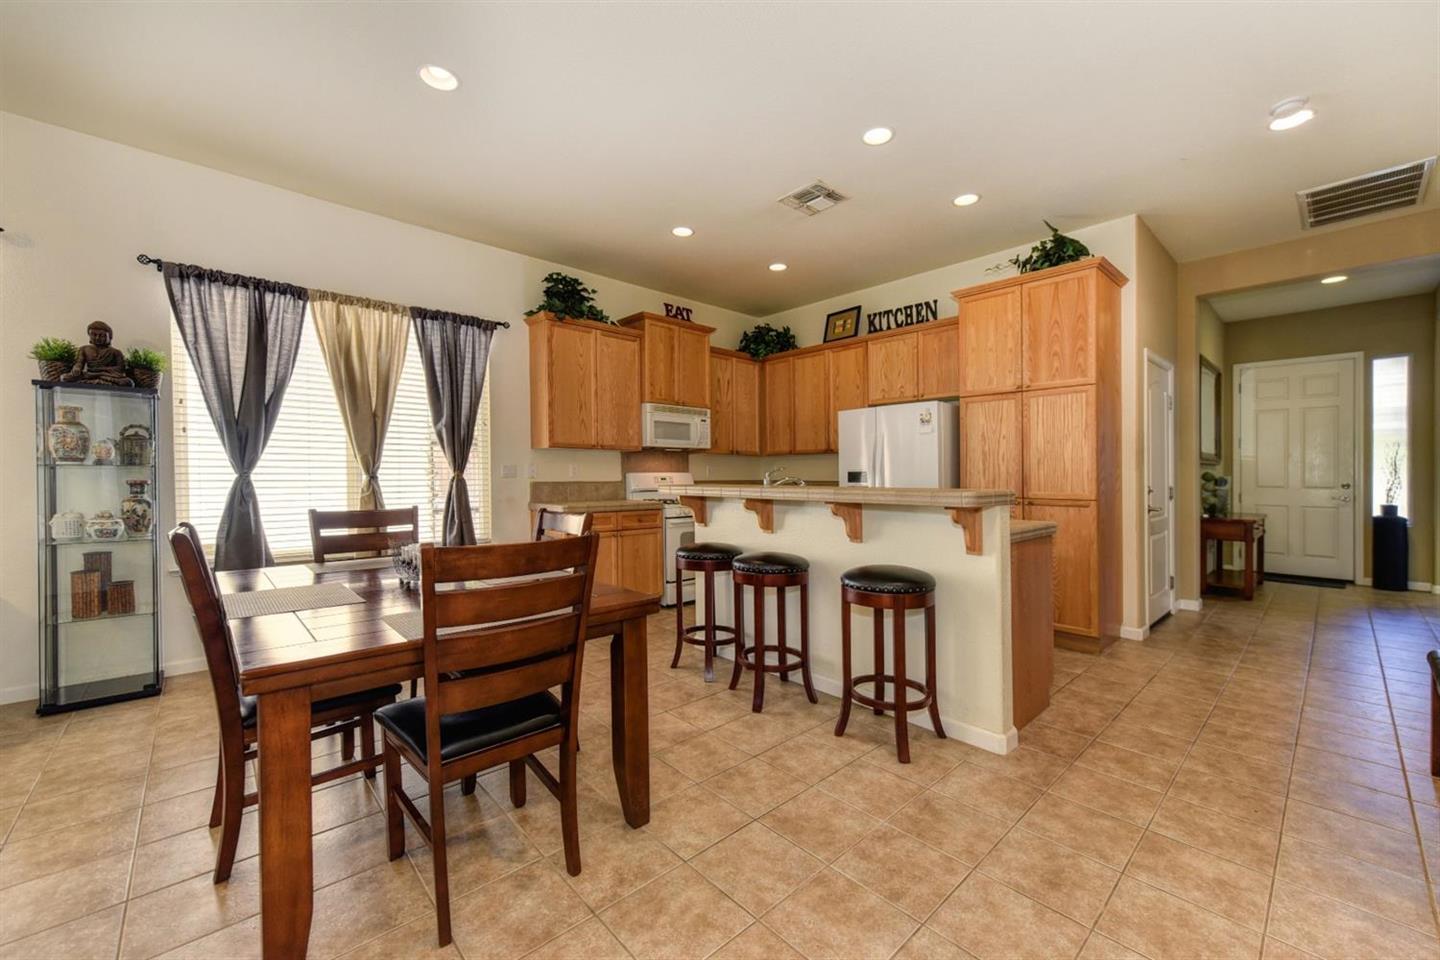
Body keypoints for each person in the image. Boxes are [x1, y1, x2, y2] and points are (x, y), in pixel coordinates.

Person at [61, 320, 133, 386]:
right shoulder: (84, 349)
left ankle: (97, 380)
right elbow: (79, 363)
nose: (97, 338)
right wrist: (77, 368)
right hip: (90, 375)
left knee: (128, 382)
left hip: (105, 375)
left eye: (101, 335)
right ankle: (100, 381)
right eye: (94, 335)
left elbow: (120, 369)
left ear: (110, 337)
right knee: (64, 378)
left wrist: (100, 372)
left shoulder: (116, 352)